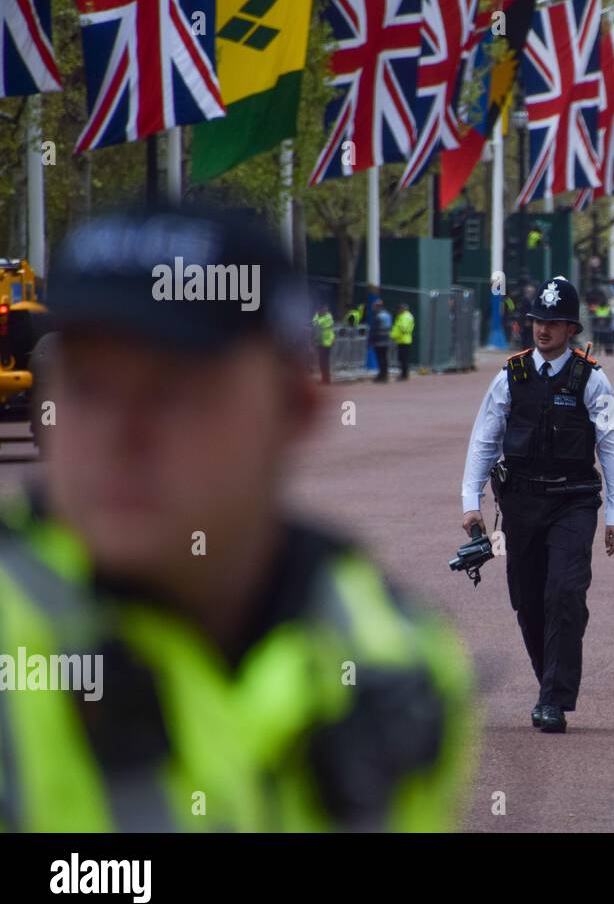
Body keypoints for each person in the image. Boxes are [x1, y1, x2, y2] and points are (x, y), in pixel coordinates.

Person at [0, 205, 474, 832]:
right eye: (88, 386)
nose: (119, 433)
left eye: (173, 391)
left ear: (296, 408)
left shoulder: (399, 669)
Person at [460, 277, 614, 734]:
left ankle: (552, 697)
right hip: (520, 504)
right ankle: (549, 683)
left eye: (554, 323)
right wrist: (470, 502)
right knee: (527, 598)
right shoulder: (510, 375)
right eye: (539, 321)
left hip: (572, 502)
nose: (543, 330)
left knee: (565, 592)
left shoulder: (591, 378)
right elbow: (484, 440)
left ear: (571, 328)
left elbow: (613, 448)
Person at [368, 299, 392, 383]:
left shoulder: (378, 316)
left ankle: (382, 376)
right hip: (386, 340)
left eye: (374, 306)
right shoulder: (387, 315)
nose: (373, 308)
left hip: (379, 341)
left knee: (380, 359)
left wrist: (370, 340)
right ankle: (384, 375)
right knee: (384, 359)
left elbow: (374, 330)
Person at [312, 303, 335, 384]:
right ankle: (324, 378)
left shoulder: (328, 316)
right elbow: (314, 324)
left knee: (325, 362)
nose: (324, 310)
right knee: (321, 362)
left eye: (325, 308)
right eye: (322, 308)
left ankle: (327, 379)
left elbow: (318, 324)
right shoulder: (317, 315)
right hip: (319, 342)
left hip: (327, 342)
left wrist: (316, 321)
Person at [392, 302, 415, 381]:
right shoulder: (406, 316)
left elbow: (403, 327)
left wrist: (396, 334)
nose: (399, 310)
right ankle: (404, 374)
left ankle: (404, 375)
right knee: (403, 358)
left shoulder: (404, 316)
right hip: (403, 340)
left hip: (403, 340)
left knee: (403, 359)